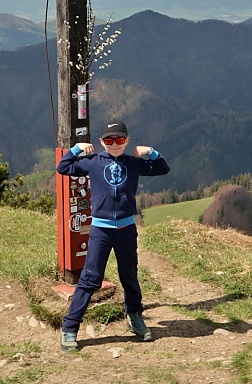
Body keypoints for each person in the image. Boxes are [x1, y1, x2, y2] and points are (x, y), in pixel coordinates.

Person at [56, 119, 170, 352]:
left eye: (119, 139)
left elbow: (162, 168)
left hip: (127, 229)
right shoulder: (92, 163)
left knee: (129, 275)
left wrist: (151, 152)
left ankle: (134, 317)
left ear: (127, 140)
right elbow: (63, 167)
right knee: (90, 279)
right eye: (109, 140)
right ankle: (70, 328)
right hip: (101, 230)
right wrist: (76, 149)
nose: (114, 144)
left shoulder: (133, 163)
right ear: (101, 142)